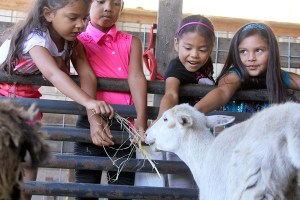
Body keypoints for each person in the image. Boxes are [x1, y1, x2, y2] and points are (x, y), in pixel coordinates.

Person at [0, 0, 115, 199]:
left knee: (29, 164)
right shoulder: (35, 37)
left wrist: (94, 118)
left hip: (29, 100)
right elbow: (52, 74)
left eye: (84, 18)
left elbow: (87, 76)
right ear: (48, 14)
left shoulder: (72, 41)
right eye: (73, 18)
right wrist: (88, 102)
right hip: (3, 97)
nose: (81, 25)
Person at [74, 0, 148, 199]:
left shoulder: (131, 42)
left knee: (122, 189)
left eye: (116, 3)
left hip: (125, 123)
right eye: (100, 1)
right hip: (90, 120)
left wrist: (141, 117)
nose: (108, 8)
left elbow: (136, 76)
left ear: (121, 8)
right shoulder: (78, 40)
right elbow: (86, 76)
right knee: (86, 187)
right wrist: (93, 120)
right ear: (87, 5)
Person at [153, 15, 216, 188]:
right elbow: (171, 94)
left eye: (202, 50)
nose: (194, 55)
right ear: (176, 43)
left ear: (211, 49)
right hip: (180, 140)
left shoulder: (206, 66)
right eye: (187, 47)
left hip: (200, 138)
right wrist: (160, 120)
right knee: (181, 185)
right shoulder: (176, 67)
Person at [194, 22, 300, 114]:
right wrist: (194, 112)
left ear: (272, 52)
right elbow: (222, 92)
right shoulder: (233, 76)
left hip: (269, 136)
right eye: (243, 51)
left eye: (258, 50)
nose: (251, 58)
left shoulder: (280, 77)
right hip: (237, 136)